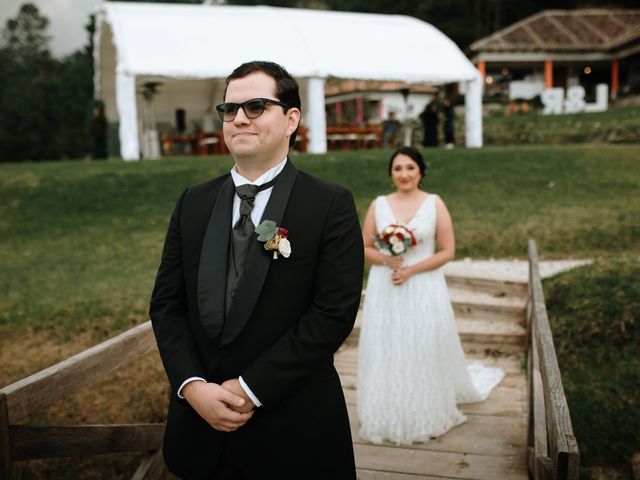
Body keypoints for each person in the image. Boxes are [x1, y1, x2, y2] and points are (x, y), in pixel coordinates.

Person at [149, 61, 364, 479]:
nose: (240, 118)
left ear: (291, 119)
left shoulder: (329, 204)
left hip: (293, 431)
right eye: (230, 109)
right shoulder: (192, 202)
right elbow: (166, 306)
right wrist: (192, 386)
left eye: (256, 106)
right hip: (200, 432)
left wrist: (250, 388)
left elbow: (332, 313)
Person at [356, 146, 504, 445]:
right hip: (387, 285)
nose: (404, 174)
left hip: (423, 284)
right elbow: (364, 247)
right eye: (398, 168)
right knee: (389, 346)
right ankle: (388, 408)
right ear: (390, 174)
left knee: (422, 344)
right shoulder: (379, 205)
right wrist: (387, 260)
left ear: (421, 171)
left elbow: (448, 251)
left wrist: (411, 270)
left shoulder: (434, 203)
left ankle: (425, 409)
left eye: (410, 167)